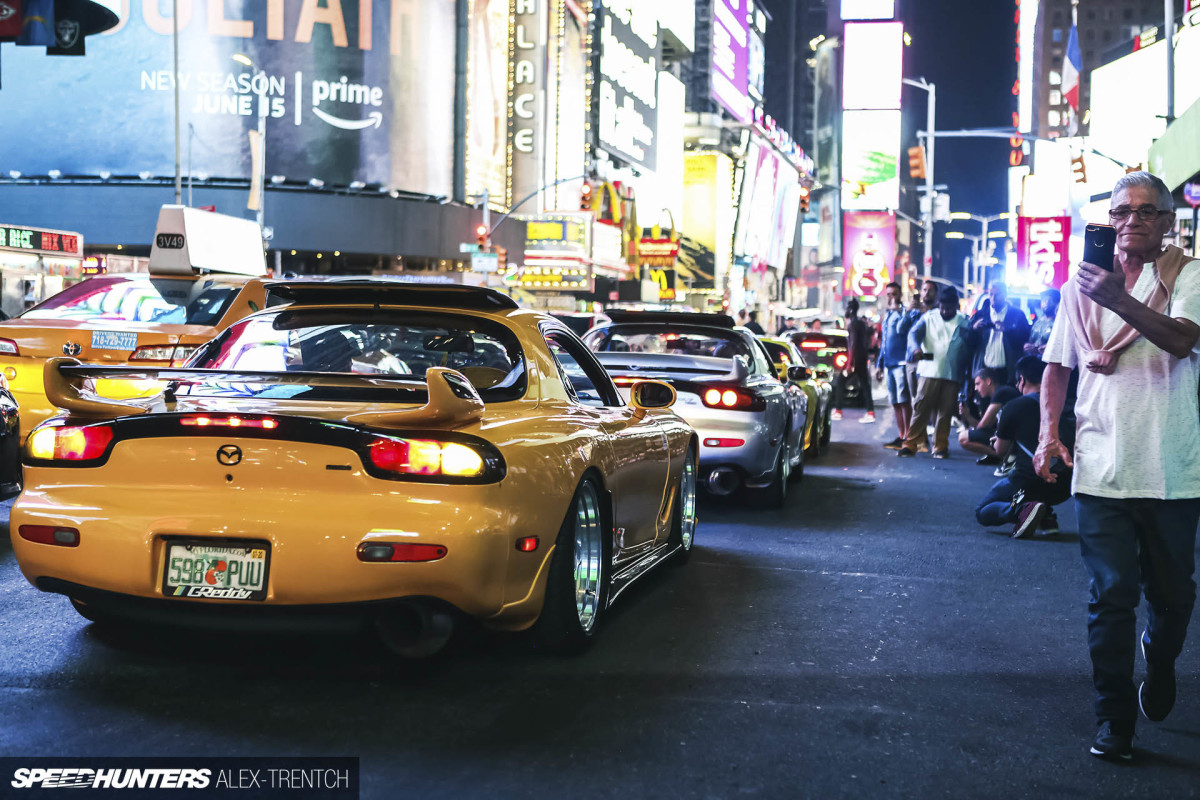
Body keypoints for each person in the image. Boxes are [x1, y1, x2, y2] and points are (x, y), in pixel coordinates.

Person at [1035, 171, 1200, 761]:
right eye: (1121, 212)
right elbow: (1057, 366)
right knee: (1111, 596)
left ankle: (1161, 659)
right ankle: (1114, 719)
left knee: (1174, 596)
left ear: (1167, 222)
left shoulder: (1187, 274)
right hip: (1100, 467)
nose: (1132, 221)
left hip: (1172, 471)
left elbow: (1183, 340)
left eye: (1146, 211)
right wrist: (1048, 434)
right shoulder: (1079, 286)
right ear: (1108, 221)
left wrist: (1118, 298)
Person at [974, 356, 1073, 536]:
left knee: (983, 510)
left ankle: (1021, 509)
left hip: (1029, 482)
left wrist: (998, 440)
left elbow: (1000, 451)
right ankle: (1046, 516)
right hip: (1065, 485)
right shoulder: (1067, 405)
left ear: (1022, 380)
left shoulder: (1014, 406)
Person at [898, 286, 969, 458]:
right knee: (921, 409)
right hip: (929, 371)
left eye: (949, 309)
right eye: (943, 308)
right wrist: (915, 348)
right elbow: (913, 334)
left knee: (945, 412)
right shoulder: (929, 317)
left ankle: (940, 446)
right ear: (939, 305)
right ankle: (910, 444)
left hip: (952, 374)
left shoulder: (964, 321)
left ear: (956, 306)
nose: (945, 311)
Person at [968, 280, 1031, 386]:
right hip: (984, 371)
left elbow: (1024, 340)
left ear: (1005, 294)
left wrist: (1008, 330)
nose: (993, 298)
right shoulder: (980, 315)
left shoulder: (1017, 315)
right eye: (991, 294)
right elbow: (969, 342)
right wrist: (974, 329)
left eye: (997, 295)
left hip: (1007, 372)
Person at [875, 282, 914, 447]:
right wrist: (879, 364)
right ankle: (901, 434)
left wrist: (901, 311)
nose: (891, 297)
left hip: (901, 363)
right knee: (895, 401)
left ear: (900, 295)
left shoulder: (904, 312)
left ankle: (908, 436)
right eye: (889, 294)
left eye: (894, 294)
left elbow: (901, 330)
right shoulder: (887, 314)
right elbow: (884, 342)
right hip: (888, 364)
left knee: (904, 400)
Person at [957, 367, 1020, 464]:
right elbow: (985, 427)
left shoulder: (1001, 393)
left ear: (988, 381)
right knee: (967, 435)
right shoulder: (998, 394)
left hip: (1014, 439)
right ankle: (1003, 456)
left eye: (978, 384)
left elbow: (982, 426)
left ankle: (1006, 456)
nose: (975, 388)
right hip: (1010, 436)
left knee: (963, 437)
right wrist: (967, 415)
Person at [835, 298, 875, 423]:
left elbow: (852, 344)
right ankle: (870, 412)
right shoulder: (861, 323)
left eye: (847, 308)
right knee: (865, 384)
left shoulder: (852, 324)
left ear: (851, 310)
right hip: (862, 357)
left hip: (855, 359)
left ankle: (838, 411)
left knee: (841, 380)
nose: (846, 310)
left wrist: (849, 363)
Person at [906, 279, 939, 401]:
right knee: (915, 399)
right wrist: (907, 312)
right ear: (920, 292)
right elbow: (901, 330)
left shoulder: (939, 312)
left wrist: (927, 313)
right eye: (924, 290)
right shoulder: (913, 312)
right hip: (912, 360)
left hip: (930, 359)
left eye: (930, 290)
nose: (927, 293)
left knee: (927, 399)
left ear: (936, 293)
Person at [1025, 288, 1061, 357]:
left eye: (1050, 300)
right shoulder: (1039, 321)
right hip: (1035, 359)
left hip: (1051, 360)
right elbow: (1032, 340)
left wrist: (1050, 348)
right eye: (1044, 300)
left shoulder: (1061, 322)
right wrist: (1029, 346)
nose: (1046, 303)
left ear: (1058, 303)